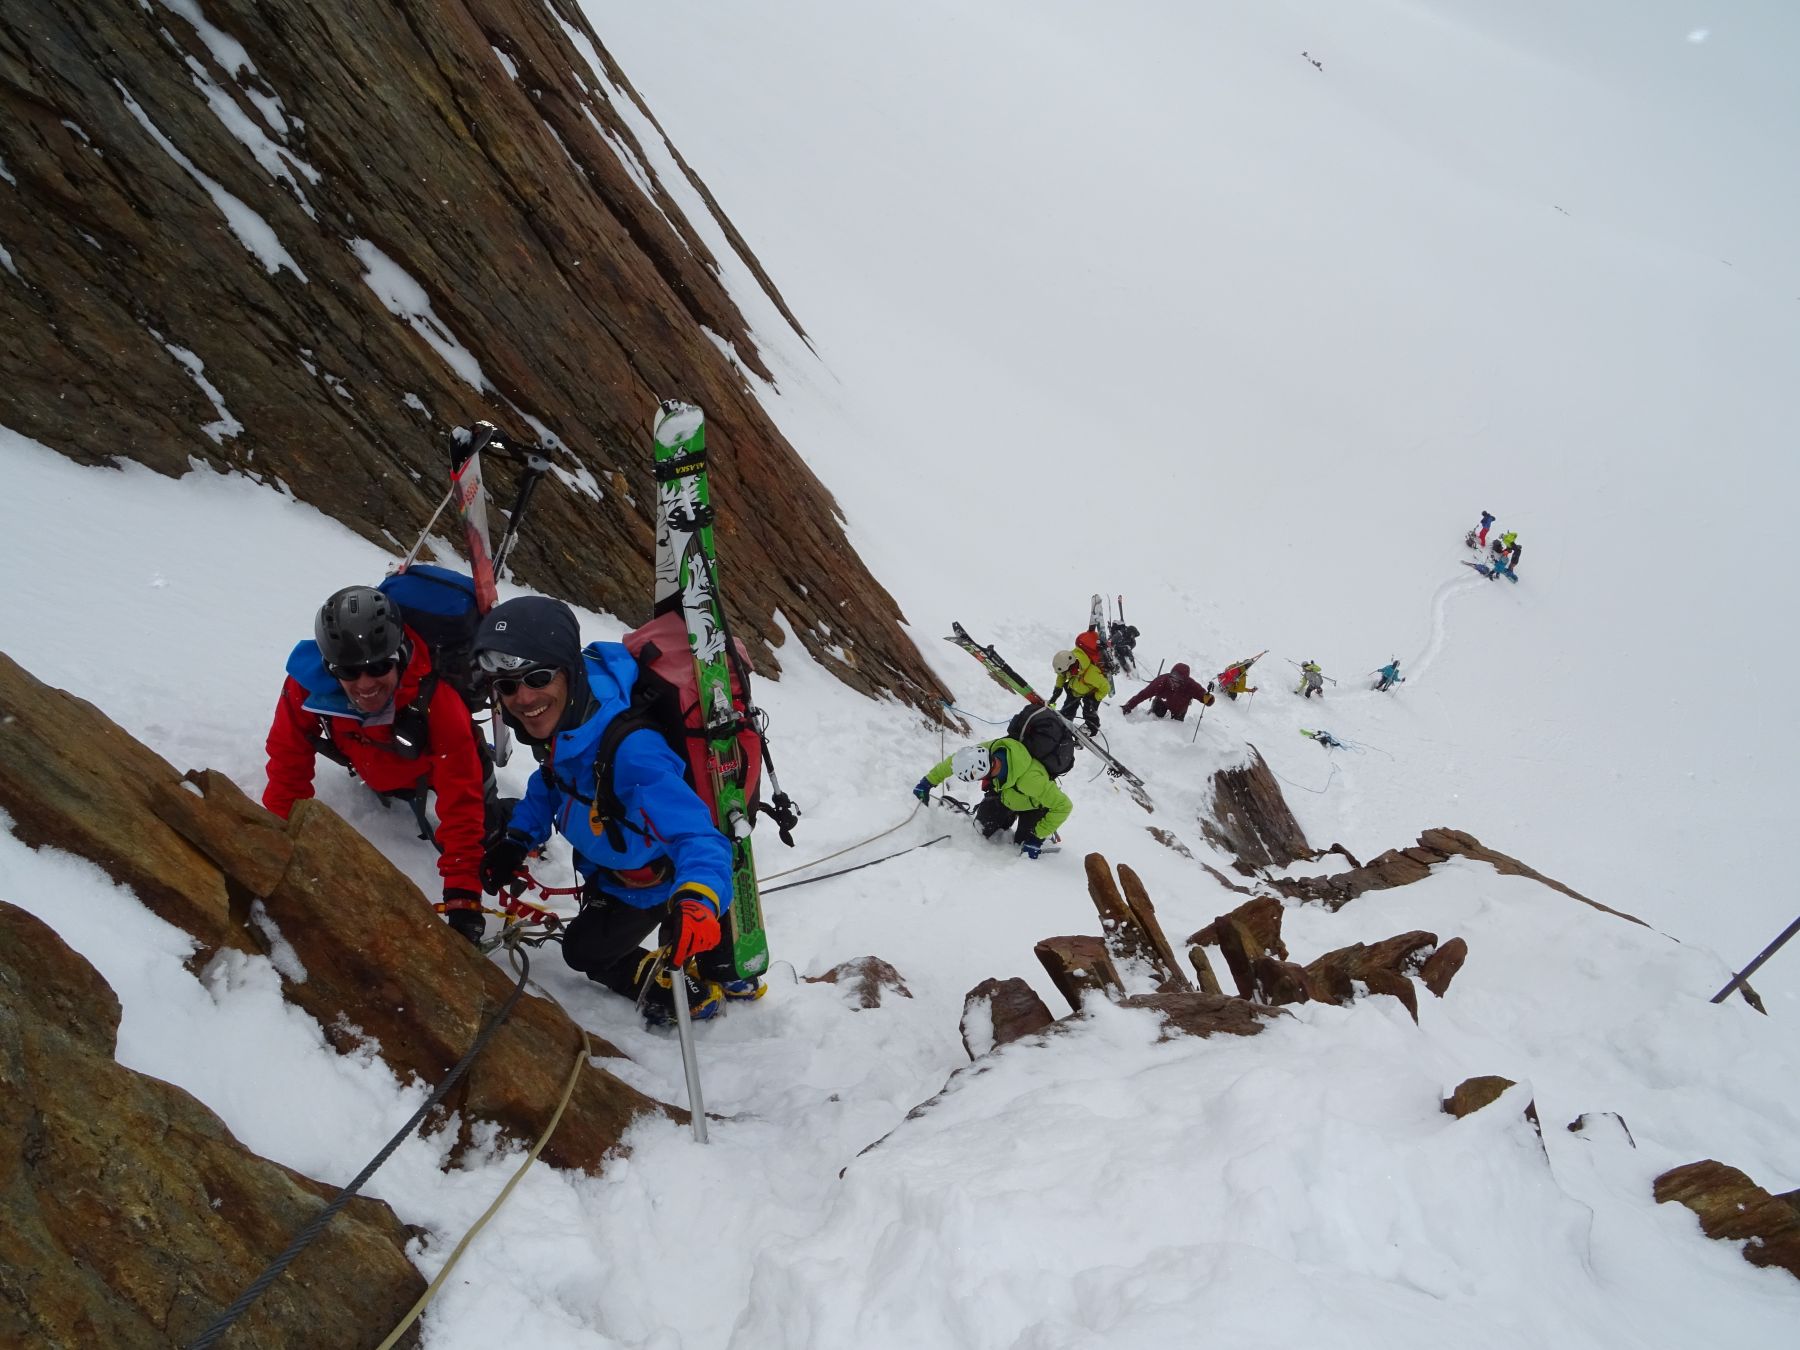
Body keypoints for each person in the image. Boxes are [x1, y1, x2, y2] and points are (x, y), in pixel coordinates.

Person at [471, 596, 740, 1023]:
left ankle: (678, 984)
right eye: (507, 686)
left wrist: (699, 900)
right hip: (609, 866)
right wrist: (517, 839)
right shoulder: (571, 718)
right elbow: (553, 780)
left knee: (584, 952)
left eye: (537, 678)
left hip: (649, 879)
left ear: (569, 670)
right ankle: (712, 941)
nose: (522, 698)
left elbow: (697, 836)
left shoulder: (633, 752)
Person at [264, 586, 492, 943]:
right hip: (380, 768)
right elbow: (287, 762)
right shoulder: (307, 688)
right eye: (349, 672)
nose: (365, 684)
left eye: (379, 667)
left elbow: (461, 802)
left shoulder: (438, 703)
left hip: (440, 771)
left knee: (489, 829)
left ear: (400, 655)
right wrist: (275, 844)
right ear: (330, 668)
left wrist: (463, 897)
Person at [913, 740, 1071, 859]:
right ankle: (1009, 816)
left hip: (1034, 806)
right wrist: (928, 782)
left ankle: (1038, 831)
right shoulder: (990, 750)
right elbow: (956, 762)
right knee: (982, 829)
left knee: (1022, 846)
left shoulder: (1030, 781)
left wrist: (1037, 837)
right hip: (1005, 795)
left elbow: (1063, 806)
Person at [1122, 662, 1213, 721]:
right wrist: (1128, 706)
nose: (1173, 682)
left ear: (1184, 680)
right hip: (1162, 703)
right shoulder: (1161, 681)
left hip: (1180, 708)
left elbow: (1206, 699)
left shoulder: (1191, 685)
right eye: (1172, 678)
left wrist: (1209, 699)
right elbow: (1143, 695)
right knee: (1155, 717)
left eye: (1178, 680)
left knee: (1176, 727)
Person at [1051, 646, 1110, 735]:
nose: (1064, 674)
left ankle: (1092, 728)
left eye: (1065, 672)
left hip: (1091, 693)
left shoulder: (1091, 675)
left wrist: (1094, 697)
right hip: (1076, 687)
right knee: (1069, 705)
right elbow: (1061, 676)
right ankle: (1067, 716)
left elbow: (1106, 687)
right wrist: (1057, 690)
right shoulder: (1070, 663)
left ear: (1070, 667)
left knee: (1089, 711)